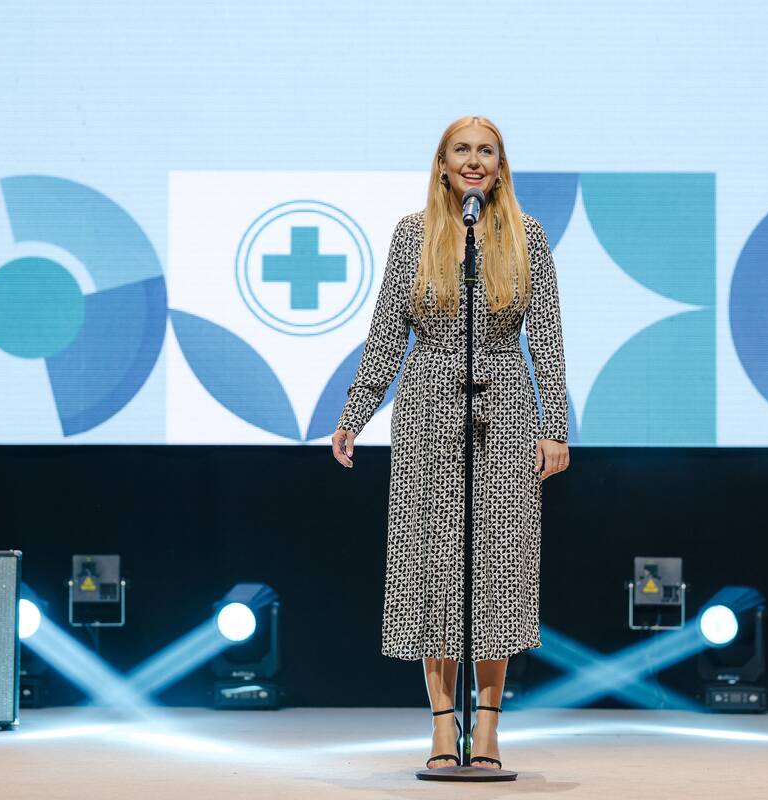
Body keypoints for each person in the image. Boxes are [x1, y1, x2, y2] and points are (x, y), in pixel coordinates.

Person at [331, 115, 570, 771]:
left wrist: (555, 426)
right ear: (442, 164)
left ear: (500, 166)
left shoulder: (528, 236)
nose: (473, 160)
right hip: (428, 408)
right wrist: (354, 414)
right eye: (461, 150)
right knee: (435, 566)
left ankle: (486, 731)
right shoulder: (412, 235)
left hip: (507, 407)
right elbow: (387, 336)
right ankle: (443, 729)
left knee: (497, 569)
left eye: (485, 151)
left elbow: (547, 339)